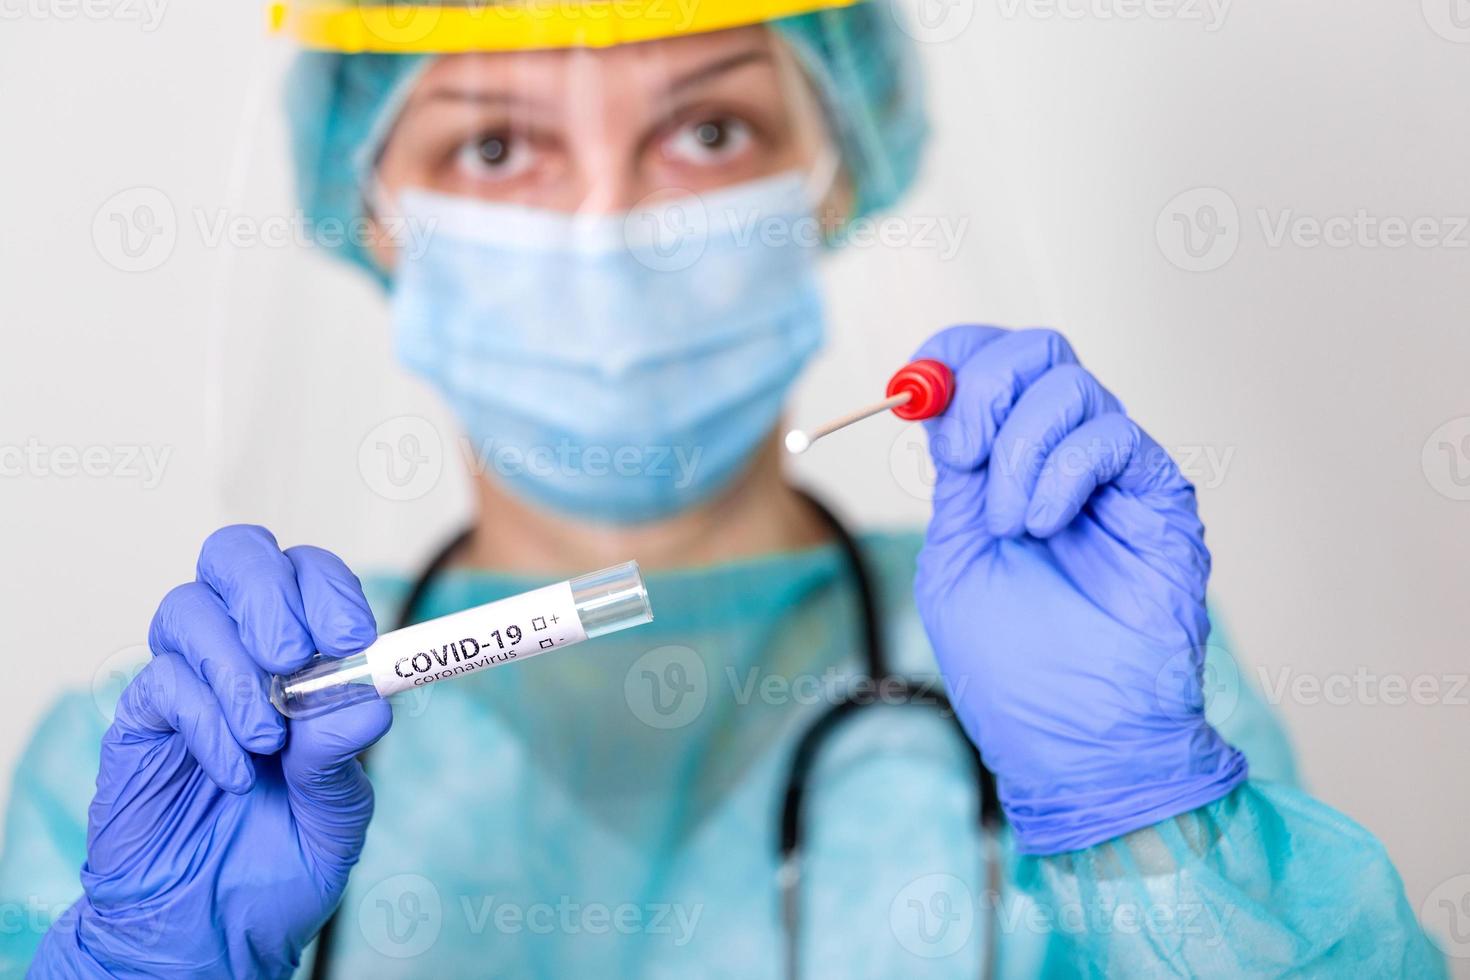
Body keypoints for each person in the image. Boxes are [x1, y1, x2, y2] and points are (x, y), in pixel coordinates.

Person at [7, 0, 1446, 975]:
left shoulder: (1081, 667)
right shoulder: (188, 761)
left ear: (838, 165)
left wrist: (1132, 813)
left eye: (708, 132)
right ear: (370, 204)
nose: (609, 228)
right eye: (495, 146)